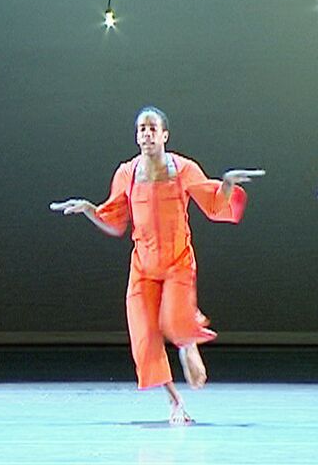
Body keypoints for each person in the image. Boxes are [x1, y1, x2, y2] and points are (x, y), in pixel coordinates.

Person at [50, 106, 264, 424]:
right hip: (143, 267)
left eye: (152, 128)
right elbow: (114, 222)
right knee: (145, 339)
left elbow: (215, 202)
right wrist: (90, 210)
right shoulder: (127, 173)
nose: (146, 134)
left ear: (164, 135)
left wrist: (228, 184)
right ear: (137, 136)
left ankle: (187, 342)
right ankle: (175, 403)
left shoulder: (183, 168)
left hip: (178, 261)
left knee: (175, 321)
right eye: (141, 129)